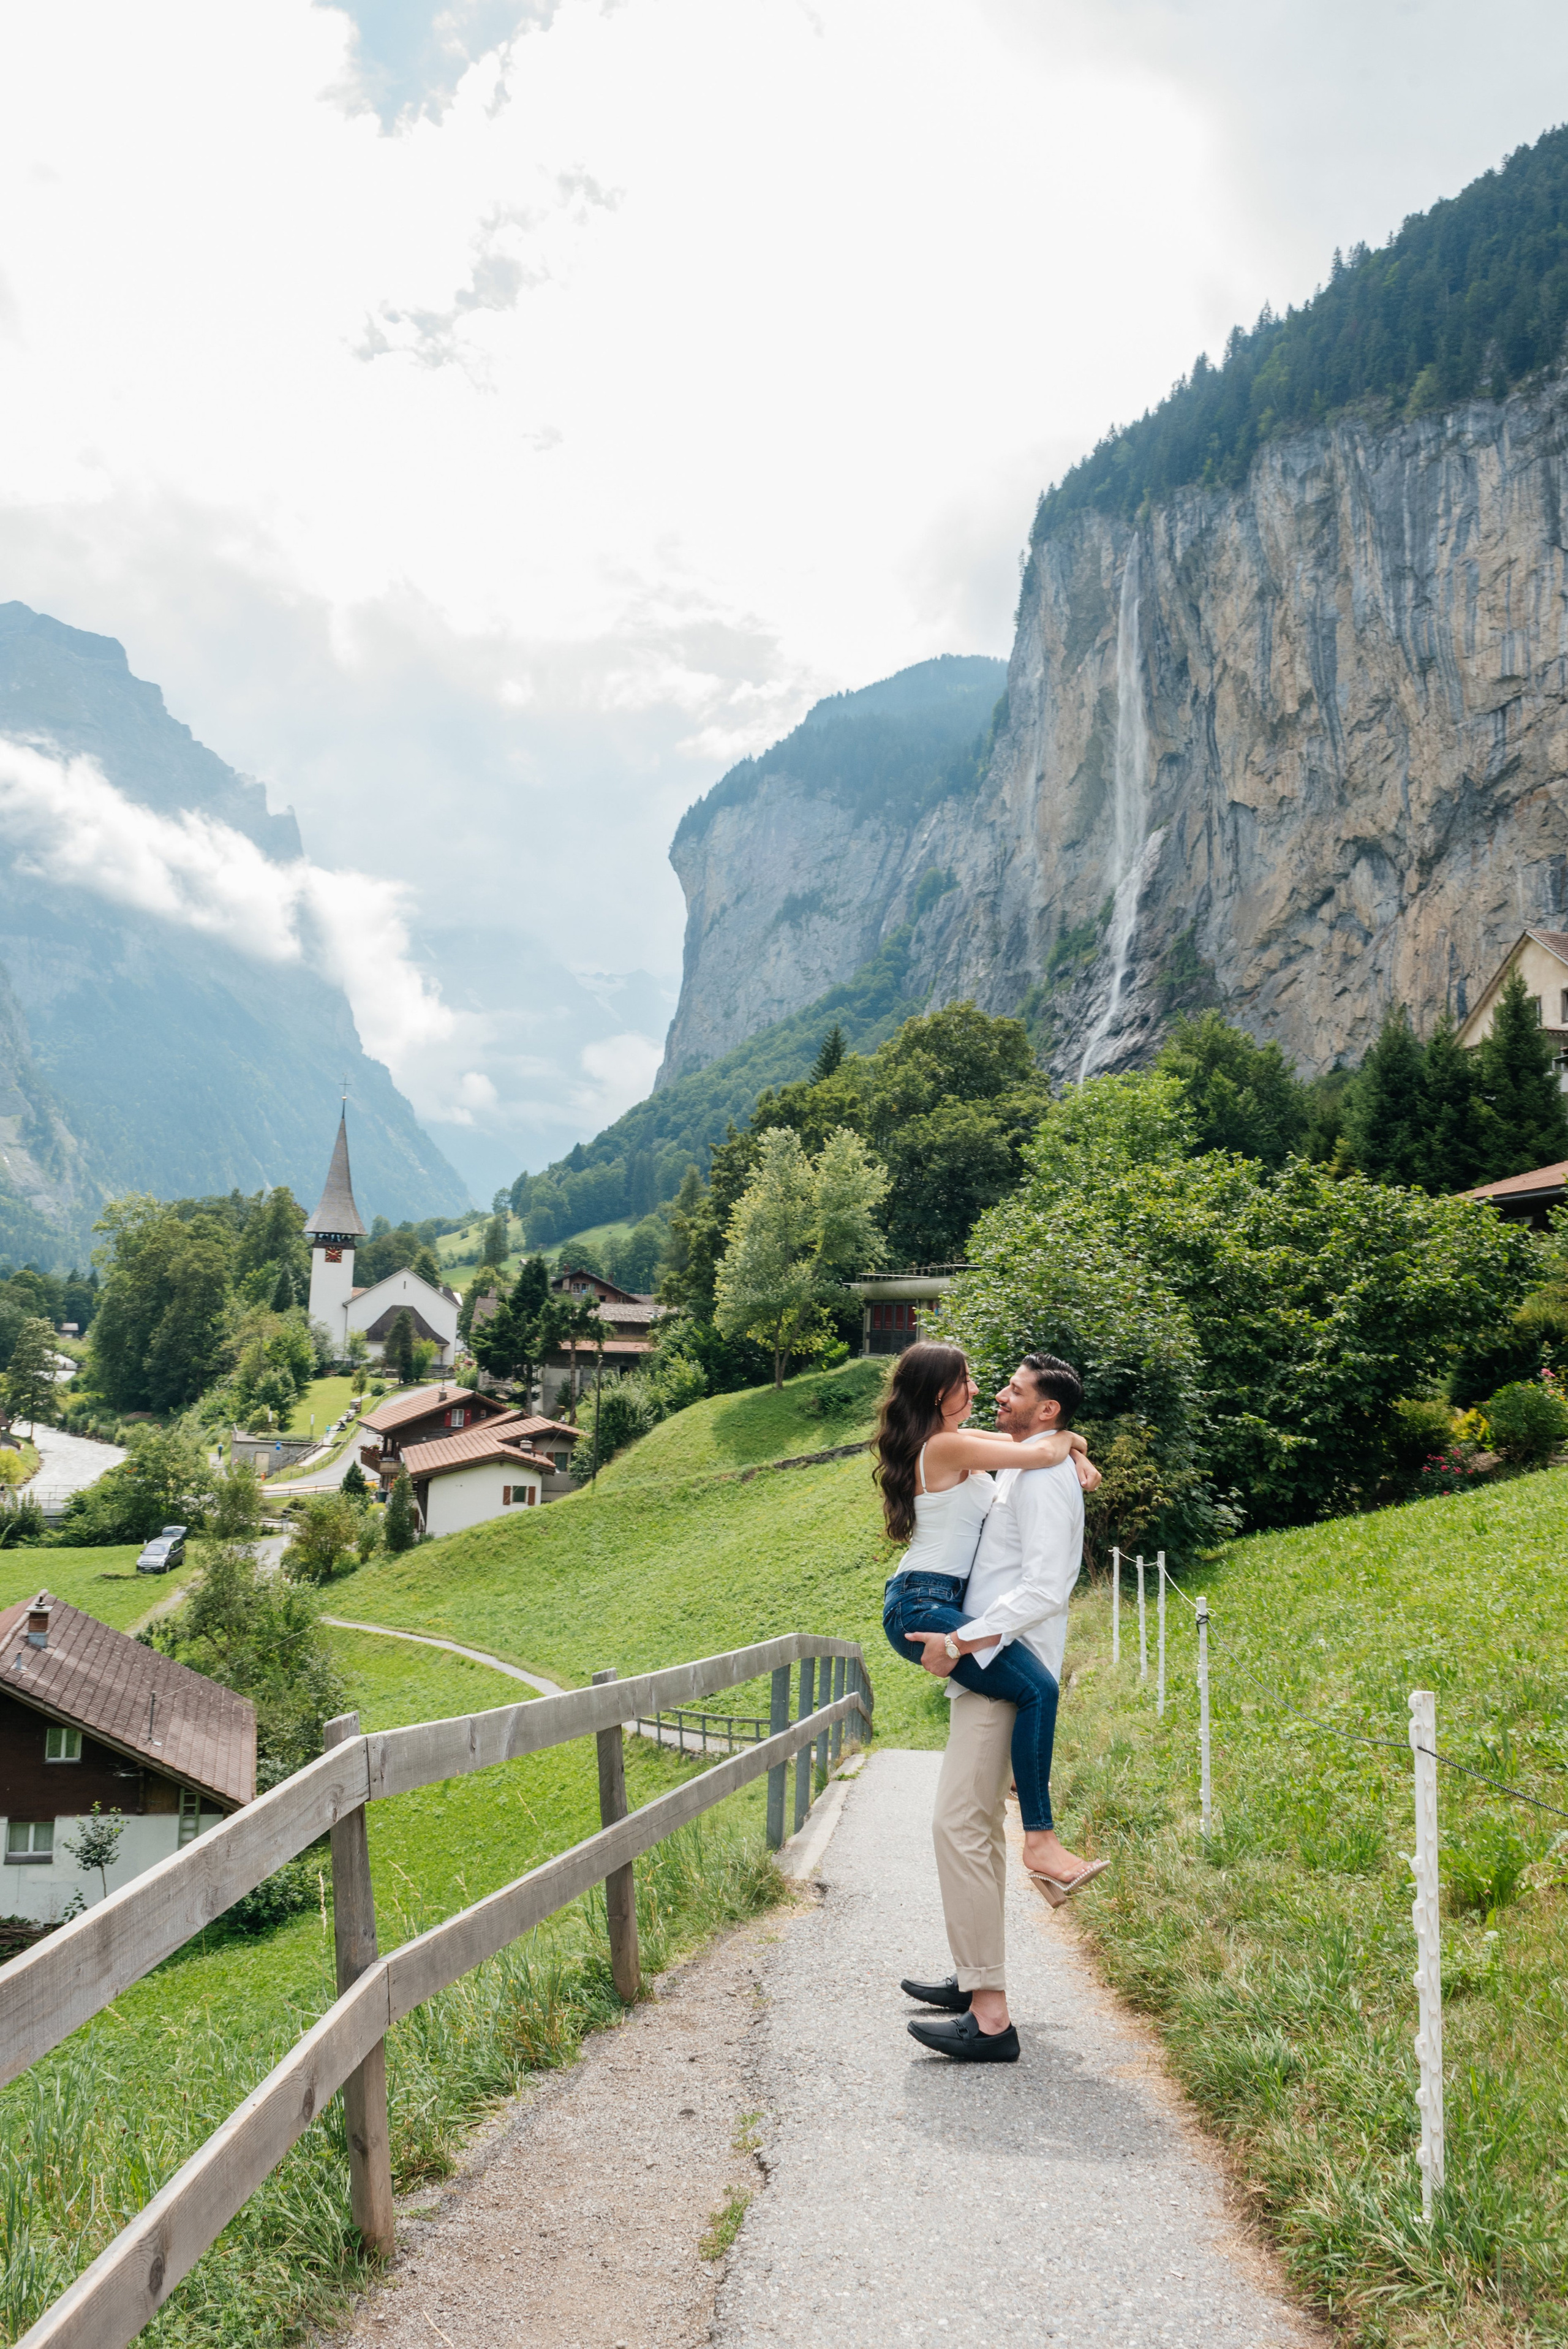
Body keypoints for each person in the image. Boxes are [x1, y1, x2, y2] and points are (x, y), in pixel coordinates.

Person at [896, 1351, 1106, 2064]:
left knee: (958, 1824)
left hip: (993, 1657)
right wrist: (1072, 1447)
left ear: (1046, 1409)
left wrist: (958, 1637)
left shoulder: (1041, 1475)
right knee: (972, 1824)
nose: (997, 1398)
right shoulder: (1022, 1462)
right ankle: (975, 1978)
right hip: (978, 1659)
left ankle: (990, 2017)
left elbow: (1047, 1588)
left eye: (1013, 1392)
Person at [877, 1344, 1096, 1880]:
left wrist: (1075, 1444)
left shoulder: (957, 1441)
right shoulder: (947, 1448)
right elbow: (1044, 1451)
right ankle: (1040, 1840)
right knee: (1038, 1688)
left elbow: (1044, 1440)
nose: (979, 1389)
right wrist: (1069, 1443)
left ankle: (1023, 1780)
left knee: (1032, 1690)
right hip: (920, 1602)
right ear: (938, 1394)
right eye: (966, 1381)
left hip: (937, 1596)